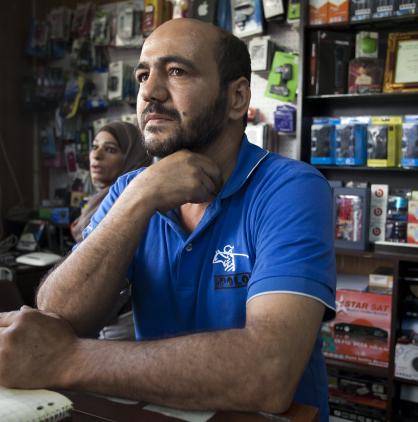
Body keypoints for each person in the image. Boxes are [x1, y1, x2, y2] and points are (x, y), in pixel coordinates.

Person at [0, 18, 336, 420]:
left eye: (176, 71)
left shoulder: (291, 188)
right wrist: (138, 198)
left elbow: (267, 373)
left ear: (236, 98)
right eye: (143, 75)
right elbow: (58, 316)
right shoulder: (131, 190)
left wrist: (68, 360)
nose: (150, 93)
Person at [71, 121, 152, 340]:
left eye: (110, 150)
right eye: (94, 146)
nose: (96, 156)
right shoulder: (96, 203)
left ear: (131, 157)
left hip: (120, 326)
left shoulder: (130, 205)